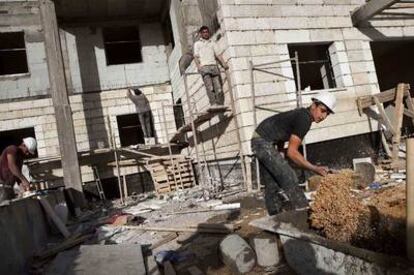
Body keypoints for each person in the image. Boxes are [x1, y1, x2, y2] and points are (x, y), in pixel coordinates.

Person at [251, 92, 336, 215]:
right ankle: (306, 217)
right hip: (262, 142)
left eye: (327, 114)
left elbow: (280, 129)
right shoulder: (304, 119)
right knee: (289, 176)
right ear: (314, 105)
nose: (323, 116)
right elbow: (292, 152)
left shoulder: (301, 115)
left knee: (272, 184)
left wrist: (280, 151)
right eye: (322, 110)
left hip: (260, 140)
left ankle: (276, 219)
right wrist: (314, 168)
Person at [193, 26, 229, 106]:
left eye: (207, 32)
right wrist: (199, 67)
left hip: (214, 67)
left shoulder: (212, 43)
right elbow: (195, 56)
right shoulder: (197, 44)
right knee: (210, 87)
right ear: (201, 34)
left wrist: (223, 63)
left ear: (208, 33)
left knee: (219, 88)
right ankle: (213, 104)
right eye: (204, 32)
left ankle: (219, 104)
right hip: (205, 67)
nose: (205, 33)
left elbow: (218, 55)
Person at [0, 137, 37, 203]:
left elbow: (17, 174)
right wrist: (24, 180)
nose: (27, 154)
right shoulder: (12, 149)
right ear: (23, 145)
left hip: (8, 187)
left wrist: (23, 186)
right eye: (27, 151)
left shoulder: (20, 158)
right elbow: (12, 166)